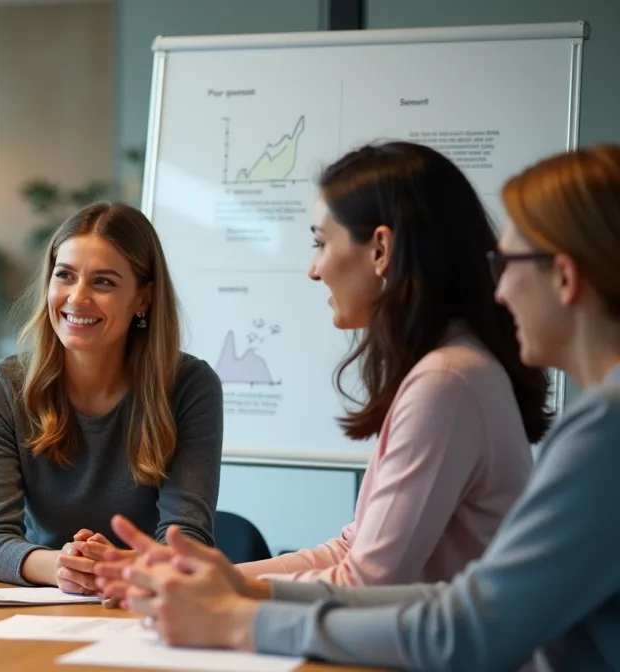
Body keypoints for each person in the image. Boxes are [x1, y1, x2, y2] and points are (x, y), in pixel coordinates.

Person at [102, 144, 620, 671]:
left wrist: (238, 618)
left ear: (381, 250)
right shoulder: (454, 375)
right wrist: (237, 587)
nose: (501, 290)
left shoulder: (473, 387)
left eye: (320, 242)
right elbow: (407, 576)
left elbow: (447, 617)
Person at [235, 141, 549, 588]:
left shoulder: (447, 381)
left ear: (381, 249)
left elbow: (367, 581)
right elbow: (353, 548)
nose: (313, 270)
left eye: (320, 243)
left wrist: (225, 589)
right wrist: (211, 576)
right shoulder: (447, 368)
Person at [0, 201, 223, 593]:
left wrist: (117, 567)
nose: (77, 297)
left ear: (143, 299)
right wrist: (65, 567)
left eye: (103, 282)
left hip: (146, 598)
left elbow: (187, 538)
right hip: (38, 599)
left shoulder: (190, 386)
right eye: (65, 276)